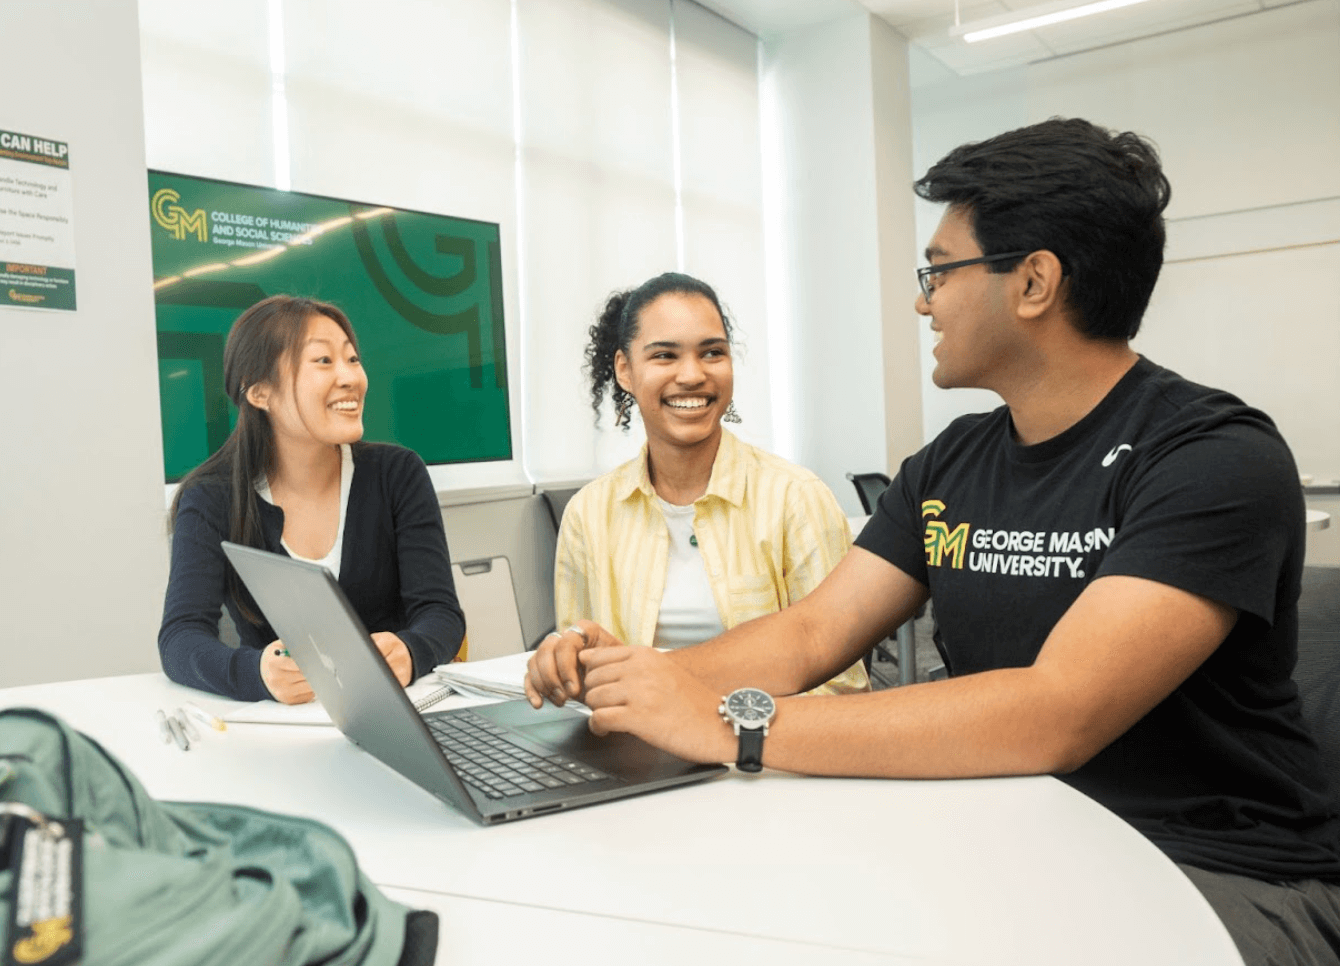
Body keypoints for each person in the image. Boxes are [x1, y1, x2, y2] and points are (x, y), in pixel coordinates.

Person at [527, 120, 1340, 964]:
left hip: (1217, 872)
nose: (923, 300)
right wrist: (629, 681)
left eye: (939, 271)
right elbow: (812, 632)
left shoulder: (1211, 457)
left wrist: (739, 729)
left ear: (1033, 282)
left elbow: (1055, 712)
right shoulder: (954, 461)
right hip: (1013, 834)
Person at [553, 272, 867, 695]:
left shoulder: (795, 498)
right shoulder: (588, 513)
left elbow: (841, 688)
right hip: (634, 750)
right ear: (625, 370)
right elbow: (583, 669)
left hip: (765, 753)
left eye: (712, 353)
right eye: (665, 355)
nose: (692, 375)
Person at [160, 295, 465, 703]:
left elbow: (441, 614)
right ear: (260, 392)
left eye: (353, 360)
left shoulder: (397, 474)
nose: (350, 378)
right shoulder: (212, 497)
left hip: (400, 715)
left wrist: (410, 650)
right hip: (283, 731)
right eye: (323, 361)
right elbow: (180, 639)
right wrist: (257, 673)